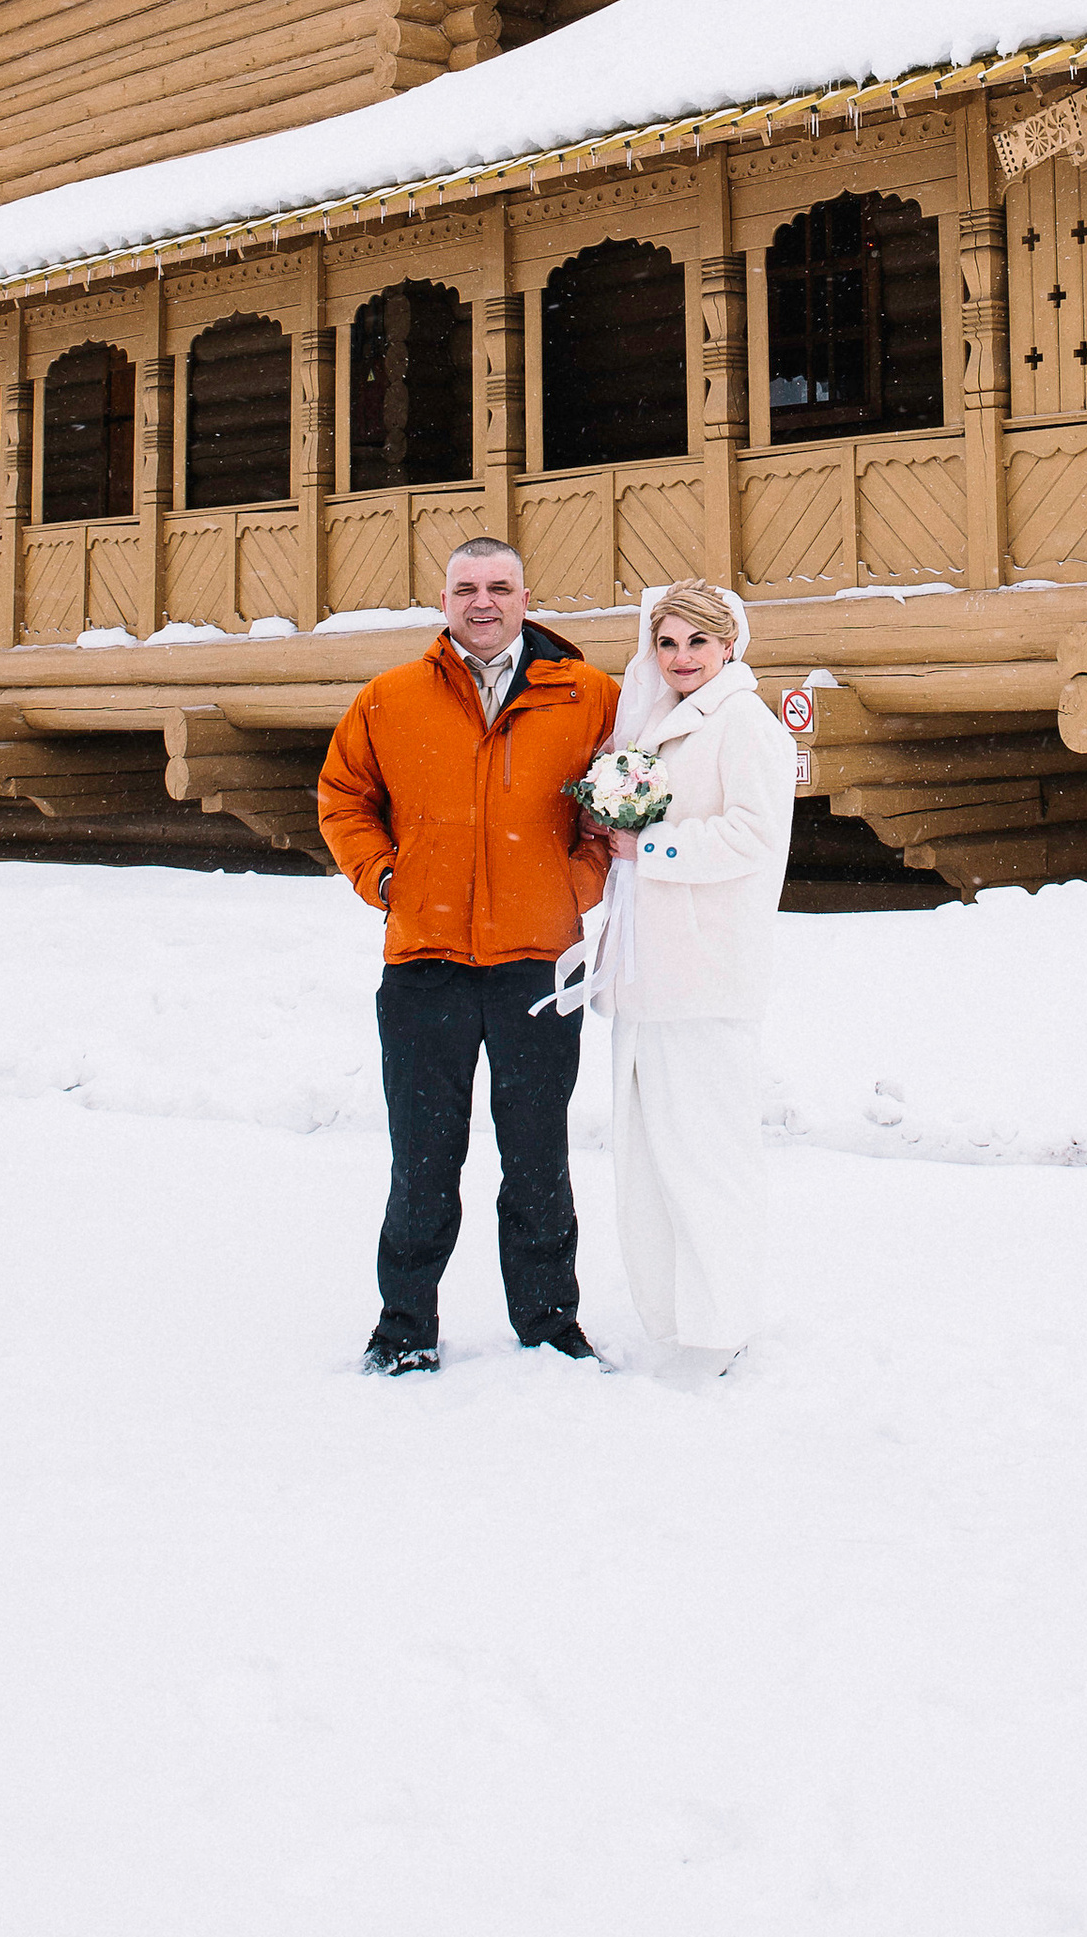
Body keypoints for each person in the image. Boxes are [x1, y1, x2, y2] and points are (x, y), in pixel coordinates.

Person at [316, 536, 619, 1376]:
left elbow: (617, 797)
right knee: (421, 1159)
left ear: (526, 595)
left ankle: (550, 1323)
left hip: (537, 961)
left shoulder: (587, 694)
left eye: (499, 586)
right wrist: (382, 877)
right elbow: (343, 796)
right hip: (426, 962)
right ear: (442, 600)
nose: (481, 602)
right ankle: (405, 1324)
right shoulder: (391, 697)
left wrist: (576, 882)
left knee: (536, 1157)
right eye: (464, 588)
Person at [585, 578, 795, 1375]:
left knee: (707, 1155)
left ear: (729, 644)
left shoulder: (745, 723)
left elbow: (753, 833)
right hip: (647, 978)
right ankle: (669, 1319)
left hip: (705, 975)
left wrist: (656, 848)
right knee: (646, 1160)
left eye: (696, 643)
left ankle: (717, 1325)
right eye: (667, 642)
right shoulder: (652, 720)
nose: (680, 657)